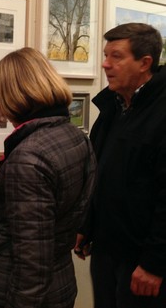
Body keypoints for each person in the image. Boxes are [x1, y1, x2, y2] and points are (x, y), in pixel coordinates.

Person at [0, 47, 96, 308]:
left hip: (24, 295)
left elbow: (32, 264)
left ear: (16, 96)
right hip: (61, 282)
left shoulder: (28, 158)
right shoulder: (75, 136)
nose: (0, 110)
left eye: (0, 98)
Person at [74, 23, 166, 308]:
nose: (105, 64)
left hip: (143, 261)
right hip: (107, 251)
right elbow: (101, 174)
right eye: (105, 55)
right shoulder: (113, 106)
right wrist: (87, 224)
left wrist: (155, 263)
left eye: (116, 56)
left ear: (144, 63)